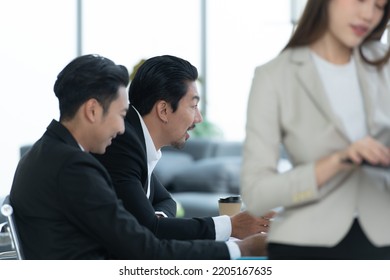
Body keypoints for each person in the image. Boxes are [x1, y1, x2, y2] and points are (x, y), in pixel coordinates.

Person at [9, 54, 266, 259]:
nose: (122, 128)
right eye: (120, 115)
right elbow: (146, 250)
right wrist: (242, 249)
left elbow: (145, 228)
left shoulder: (47, 153)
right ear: (92, 110)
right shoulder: (74, 167)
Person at [241, 0, 390, 260]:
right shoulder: (274, 76)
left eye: (380, 6)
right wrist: (336, 161)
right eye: (360, 0)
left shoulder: (384, 64)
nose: (369, 14)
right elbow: (257, 195)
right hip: (307, 242)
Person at [93, 55, 274, 242]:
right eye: (193, 106)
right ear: (163, 110)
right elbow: (147, 231)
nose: (198, 118)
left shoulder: (136, 141)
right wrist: (231, 226)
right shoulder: (122, 143)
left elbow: (166, 201)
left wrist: (159, 219)